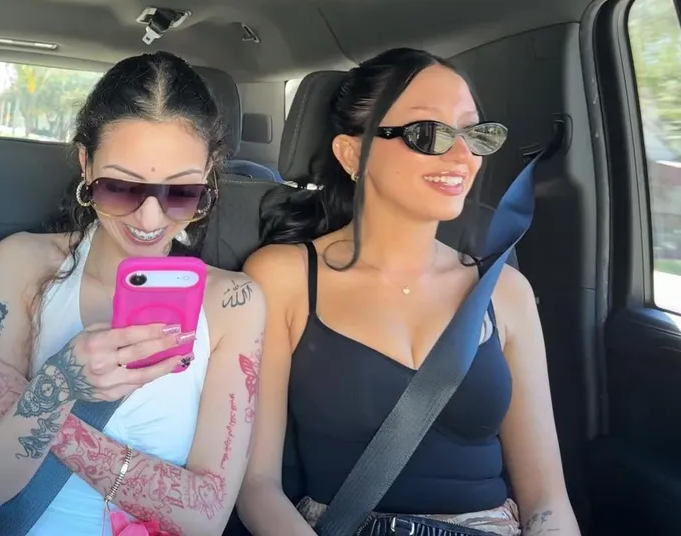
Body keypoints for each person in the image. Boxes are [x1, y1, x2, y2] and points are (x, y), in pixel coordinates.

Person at [236, 49, 579, 535]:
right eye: (429, 134)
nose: (463, 157)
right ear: (352, 154)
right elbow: (257, 485)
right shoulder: (283, 277)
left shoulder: (506, 292)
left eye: (475, 134)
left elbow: (546, 499)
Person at [0, 52, 267, 536]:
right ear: (86, 165)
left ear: (208, 176)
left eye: (181, 192)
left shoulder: (234, 303)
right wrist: (62, 379)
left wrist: (37, 400)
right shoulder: (23, 263)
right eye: (120, 187)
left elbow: (205, 517)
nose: (150, 219)